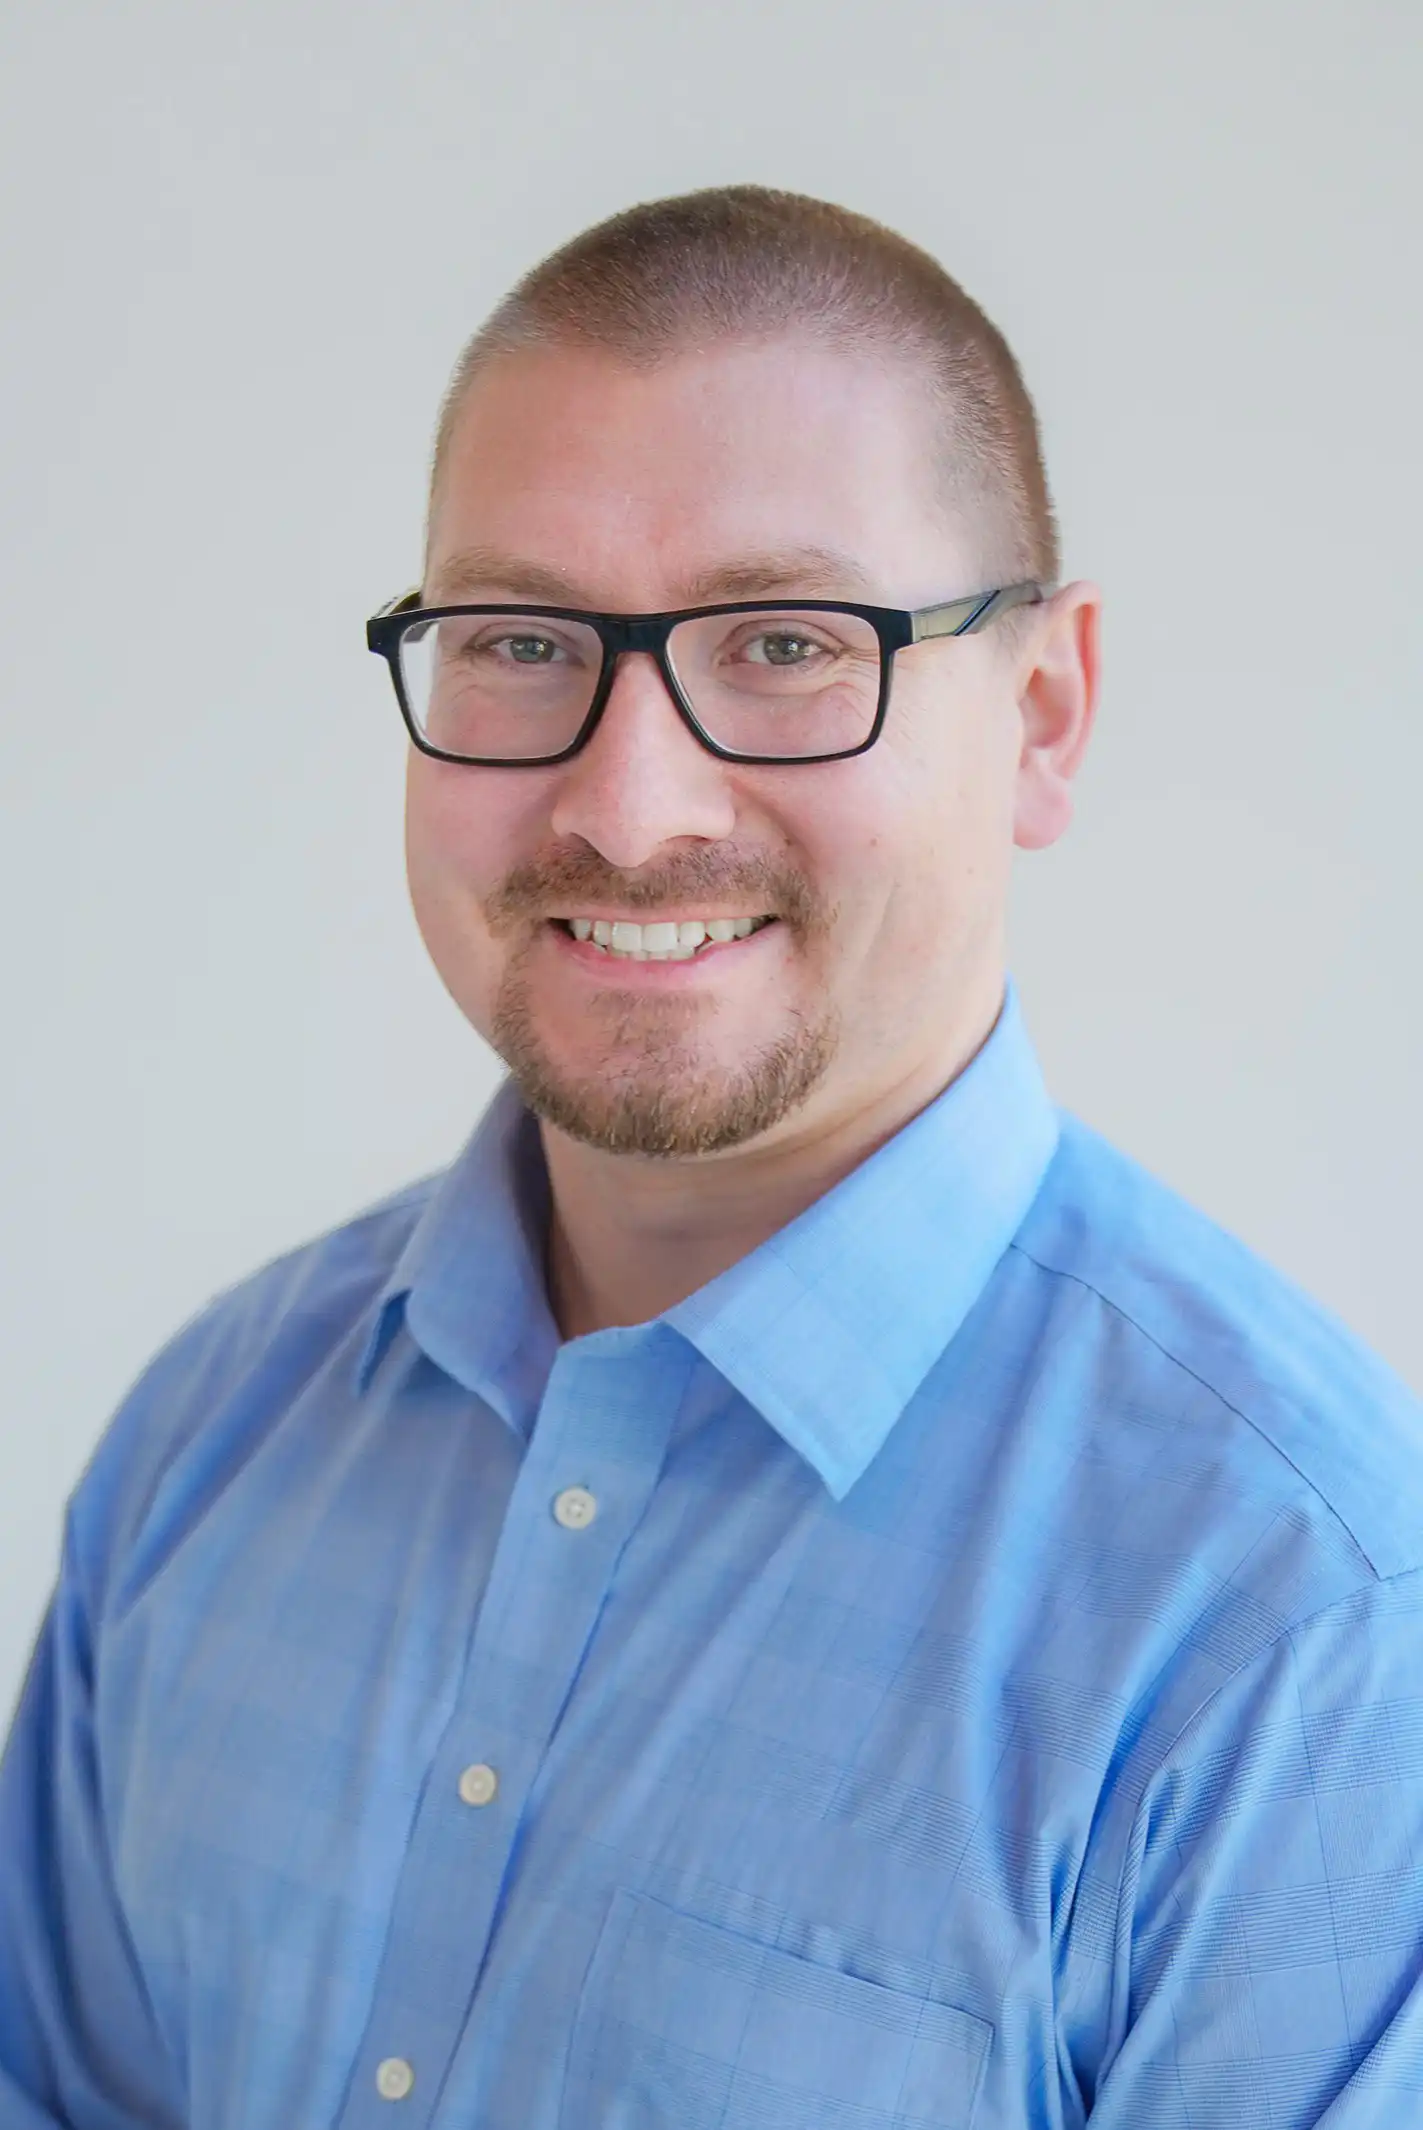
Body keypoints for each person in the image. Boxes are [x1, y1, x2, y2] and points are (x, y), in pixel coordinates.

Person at [2, 184, 1420, 2130]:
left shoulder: (1307, 1634)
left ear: (1043, 712)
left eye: (782, 642)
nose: (627, 803)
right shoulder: (210, 1441)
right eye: (521, 640)